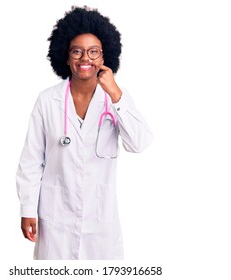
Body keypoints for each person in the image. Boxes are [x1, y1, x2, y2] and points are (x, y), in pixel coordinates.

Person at [16, 6, 153, 260]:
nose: (85, 59)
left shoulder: (115, 98)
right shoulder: (48, 100)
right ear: (66, 57)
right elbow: (31, 161)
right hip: (55, 222)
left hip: (100, 224)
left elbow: (140, 142)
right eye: (77, 51)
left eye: (93, 52)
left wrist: (115, 92)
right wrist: (27, 209)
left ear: (104, 57)